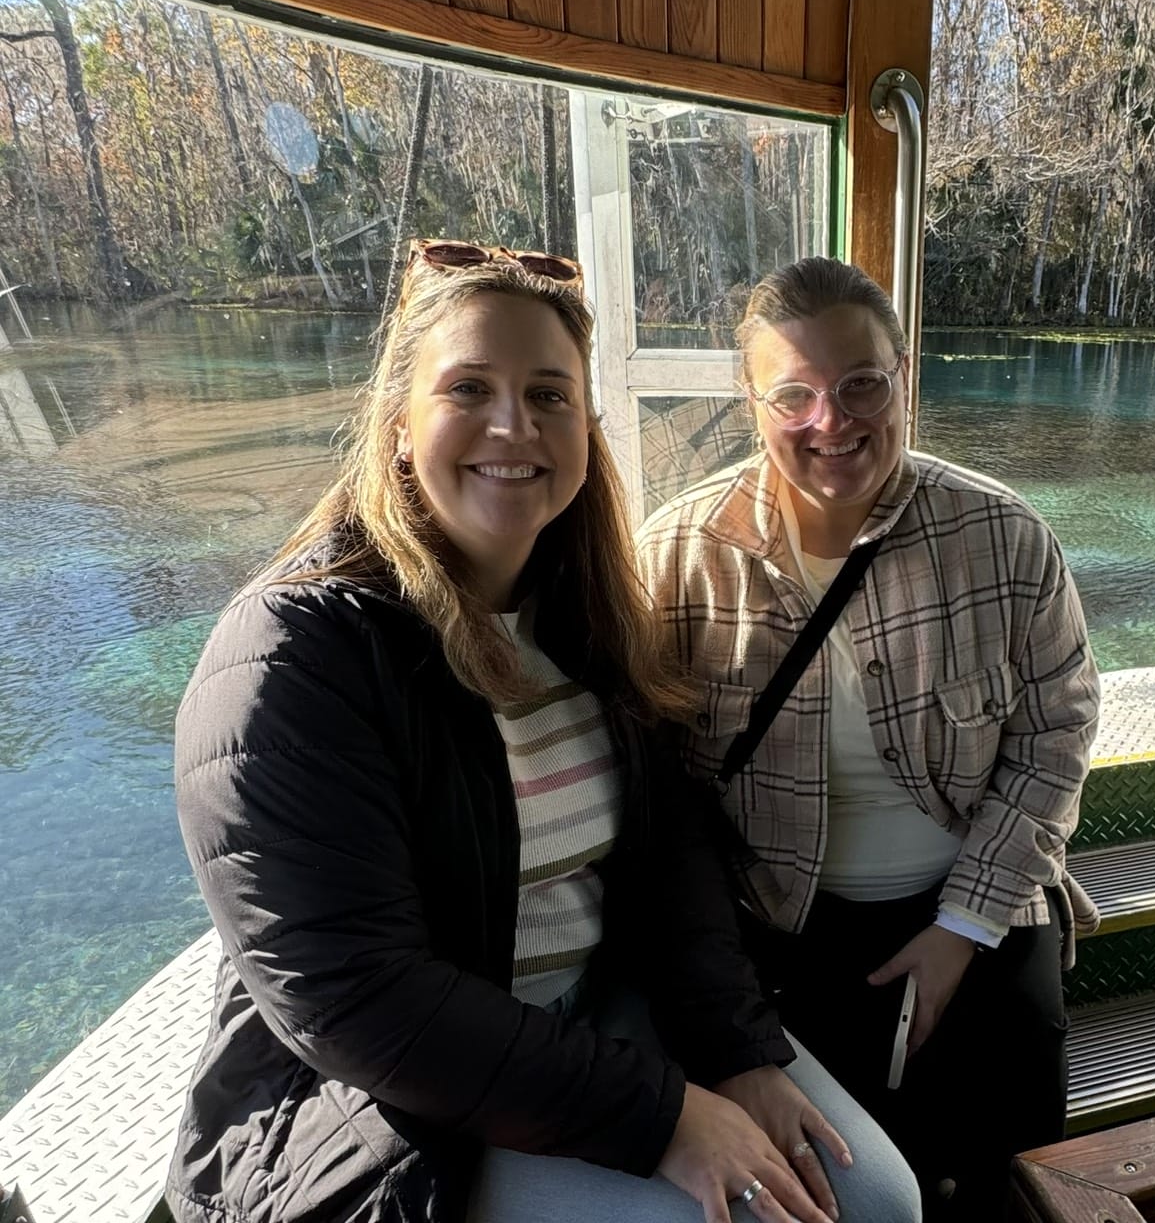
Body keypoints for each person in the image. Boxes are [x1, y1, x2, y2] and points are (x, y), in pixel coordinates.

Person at [167, 240, 923, 1223]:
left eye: (549, 395)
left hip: (590, 1022)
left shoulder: (584, 615)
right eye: (468, 388)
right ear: (399, 426)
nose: (512, 425)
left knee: (879, 1199)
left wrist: (738, 1053)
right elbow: (355, 995)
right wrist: (663, 1119)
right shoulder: (294, 657)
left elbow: (670, 856)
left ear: (585, 429)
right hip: (394, 1104)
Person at [636, 257, 1101, 1222]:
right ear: (752, 401)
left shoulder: (1004, 537)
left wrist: (962, 929)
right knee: (845, 1185)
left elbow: (1057, 734)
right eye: (794, 394)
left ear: (904, 376)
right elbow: (651, 788)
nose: (831, 422)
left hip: (983, 891)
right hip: (776, 927)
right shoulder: (677, 559)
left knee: (1013, 1167)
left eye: (860, 385)